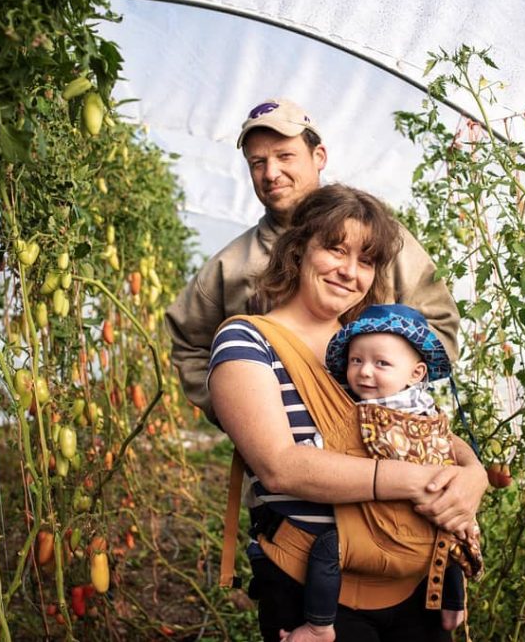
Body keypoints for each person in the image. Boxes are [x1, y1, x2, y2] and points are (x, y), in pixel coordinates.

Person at [208, 185, 488, 642]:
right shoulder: (247, 341)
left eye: (366, 260)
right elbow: (281, 467)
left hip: (411, 580)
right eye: (335, 250)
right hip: (313, 588)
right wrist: (422, 481)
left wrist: (472, 475)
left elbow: (421, 423)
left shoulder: (370, 348)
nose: (349, 271)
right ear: (298, 250)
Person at [167, 98, 460, 422]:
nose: (271, 173)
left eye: (285, 156)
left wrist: (391, 391)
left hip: (385, 433)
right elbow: (189, 344)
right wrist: (238, 410)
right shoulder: (231, 266)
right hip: (284, 445)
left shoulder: (383, 239)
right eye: (257, 162)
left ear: (318, 156)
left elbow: (439, 324)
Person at [285, 303, 483, 642]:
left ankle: (319, 625)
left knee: (327, 550)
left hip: (389, 509)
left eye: (381, 364)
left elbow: (336, 437)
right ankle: (453, 605)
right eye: (356, 360)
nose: (364, 373)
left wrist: (305, 450)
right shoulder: (428, 408)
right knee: (451, 538)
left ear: (416, 373)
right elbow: (447, 442)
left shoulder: (368, 411)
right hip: (427, 509)